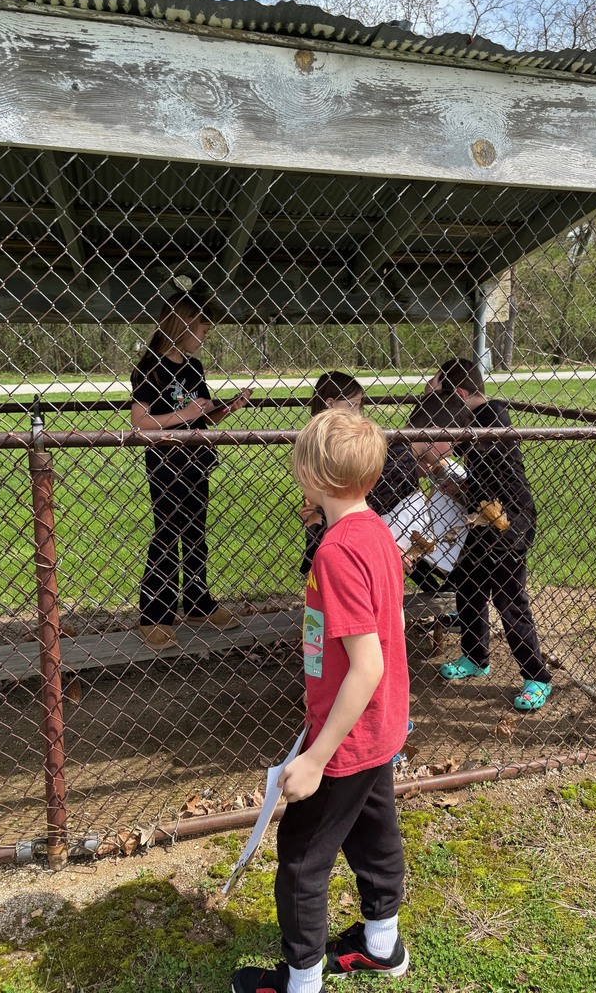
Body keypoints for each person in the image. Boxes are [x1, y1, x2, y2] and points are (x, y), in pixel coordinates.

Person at [231, 409, 410, 993]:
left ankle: (301, 980)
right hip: (380, 729)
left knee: (303, 857)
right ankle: (382, 945)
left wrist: (314, 758)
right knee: (373, 830)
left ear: (310, 475)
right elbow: (393, 627)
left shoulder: (336, 553)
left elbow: (368, 664)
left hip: (345, 739)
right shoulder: (377, 531)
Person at [428, 358, 552, 711]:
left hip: (508, 522)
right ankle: (476, 656)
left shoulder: (492, 415)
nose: (441, 407)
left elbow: (481, 456)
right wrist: (463, 489)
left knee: (509, 599)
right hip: (483, 515)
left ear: (462, 393)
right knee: (467, 585)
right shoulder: (474, 419)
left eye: (445, 398)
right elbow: (485, 476)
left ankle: (537, 676)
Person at [130, 290, 252, 651]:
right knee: (168, 534)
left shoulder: (194, 368)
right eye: (202, 327)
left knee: (196, 533)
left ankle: (197, 602)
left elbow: (202, 416)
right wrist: (185, 415)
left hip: (196, 461)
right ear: (182, 325)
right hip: (167, 465)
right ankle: (154, 615)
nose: (206, 335)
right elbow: (140, 424)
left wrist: (228, 408)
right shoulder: (151, 367)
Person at [299, 372, 419, 575]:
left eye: (359, 406)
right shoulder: (317, 442)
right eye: (352, 405)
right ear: (330, 403)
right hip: (329, 520)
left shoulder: (352, 440)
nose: (358, 413)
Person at [383, 390, 473, 594]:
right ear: (434, 432)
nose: (451, 453)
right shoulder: (400, 465)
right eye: (451, 443)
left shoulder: (399, 453)